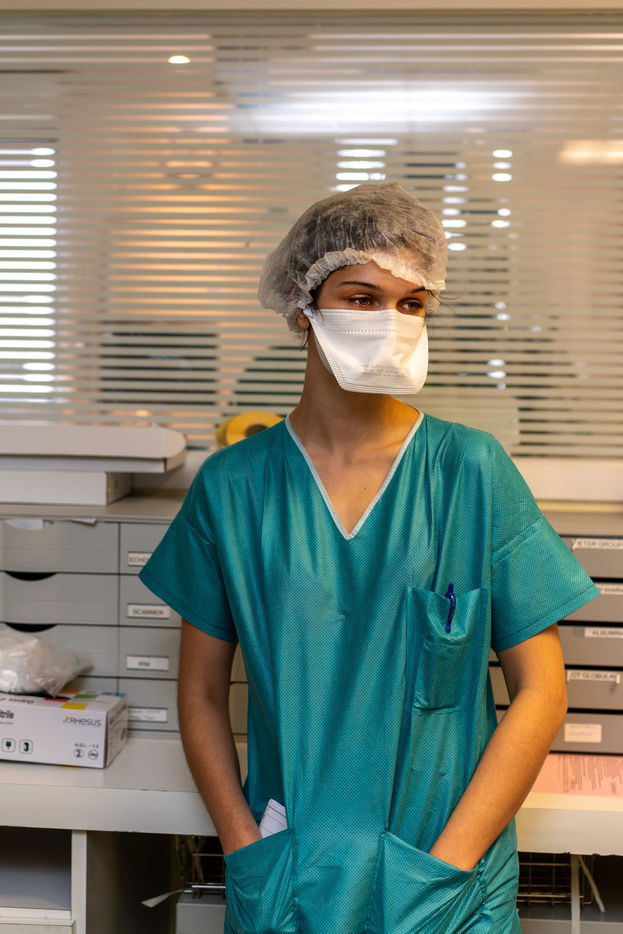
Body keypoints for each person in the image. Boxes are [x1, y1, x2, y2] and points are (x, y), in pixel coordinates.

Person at [139, 183, 599, 934]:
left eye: (411, 303)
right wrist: (244, 847)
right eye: (361, 298)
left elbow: (542, 692)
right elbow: (200, 694)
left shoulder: (468, 471)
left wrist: (449, 865)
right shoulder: (235, 486)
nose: (390, 322)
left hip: (444, 878)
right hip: (291, 872)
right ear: (303, 307)